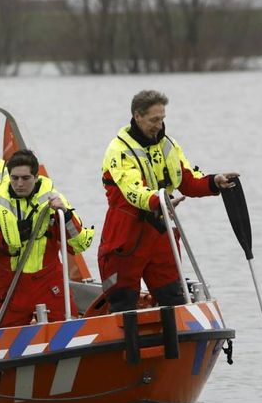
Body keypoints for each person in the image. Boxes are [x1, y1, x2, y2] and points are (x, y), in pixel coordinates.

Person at [98, 89, 239, 313]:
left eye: (162, 118)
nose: (159, 125)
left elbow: (188, 180)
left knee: (174, 297)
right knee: (123, 302)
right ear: (137, 116)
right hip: (125, 236)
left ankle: (178, 343)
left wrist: (214, 182)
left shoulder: (168, 145)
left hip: (160, 235)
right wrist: (161, 200)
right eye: (154, 119)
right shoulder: (119, 150)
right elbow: (133, 191)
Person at [0, 149, 94, 327]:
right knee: (5, 344)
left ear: (36, 177)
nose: (19, 184)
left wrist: (65, 213)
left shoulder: (54, 201)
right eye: (14, 178)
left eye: (25, 178)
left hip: (49, 284)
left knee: (66, 331)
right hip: (10, 287)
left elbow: (78, 244)